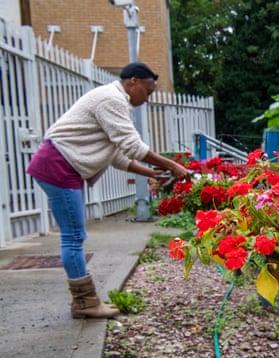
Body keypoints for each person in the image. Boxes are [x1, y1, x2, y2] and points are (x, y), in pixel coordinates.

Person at [27, 62, 191, 319]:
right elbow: (131, 145)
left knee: (74, 236)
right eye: (147, 92)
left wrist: (152, 173)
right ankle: (84, 303)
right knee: (73, 237)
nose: (147, 99)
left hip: (59, 165)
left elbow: (116, 156)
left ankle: (84, 302)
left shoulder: (114, 100)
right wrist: (172, 165)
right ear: (133, 82)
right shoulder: (111, 99)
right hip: (58, 166)